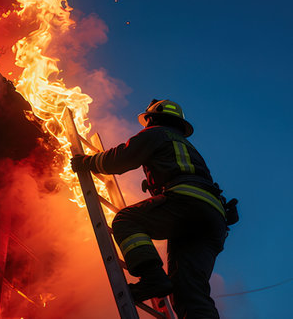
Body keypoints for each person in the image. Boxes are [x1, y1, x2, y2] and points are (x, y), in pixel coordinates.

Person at [71, 99, 238, 319]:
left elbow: (121, 158)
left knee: (126, 221)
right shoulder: (188, 148)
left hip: (187, 205)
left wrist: (87, 162)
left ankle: (152, 277)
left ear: (151, 118)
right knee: (190, 292)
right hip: (213, 221)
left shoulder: (156, 133)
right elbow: (185, 173)